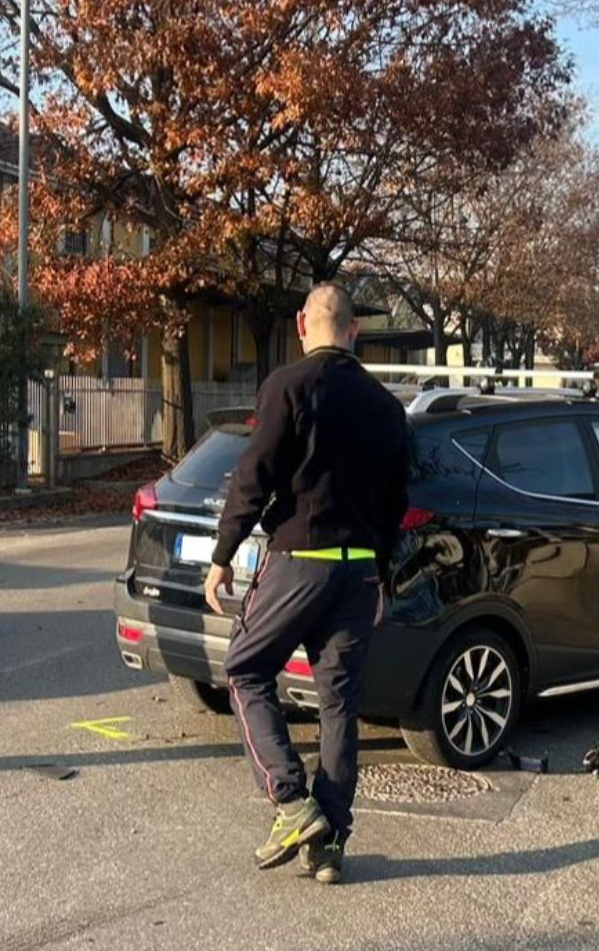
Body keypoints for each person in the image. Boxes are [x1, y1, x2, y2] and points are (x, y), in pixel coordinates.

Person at [204, 284, 410, 886]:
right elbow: (397, 503)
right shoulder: (386, 407)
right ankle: (330, 846)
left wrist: (223, 555)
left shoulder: (288, 387)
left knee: (244, 668)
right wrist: (382, 576)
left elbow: (253, 477)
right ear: (355, 334)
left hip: (300, 560)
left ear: (301, 324)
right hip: (358, 570)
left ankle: (293, 805)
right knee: (339, 707)